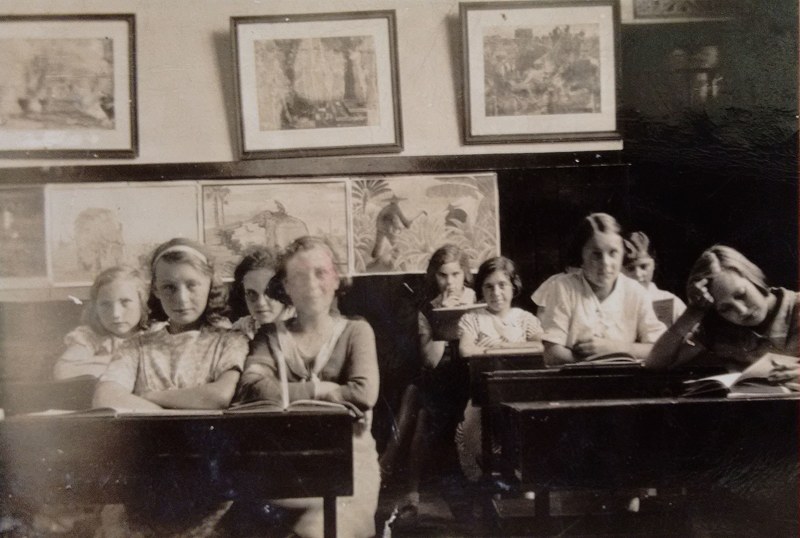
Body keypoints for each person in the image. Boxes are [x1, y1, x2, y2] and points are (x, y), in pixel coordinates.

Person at [93, 238, 249, 536]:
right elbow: (106, 396)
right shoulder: (136, 346)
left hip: (208, 487)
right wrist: (177, 411)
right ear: (155, 290)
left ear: (209, 283)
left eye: (192, 285)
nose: (181, 298)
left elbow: (218, 396)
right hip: (143, 484)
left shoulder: (228, 341)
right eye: (169, 287)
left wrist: (147, 398)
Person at [235, 236, 380, 538]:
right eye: (299, 276)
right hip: (281, 470)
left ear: (336, 278)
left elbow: (362, 394)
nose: (311, 283)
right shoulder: (268, 337)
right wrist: (325, 390)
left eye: (320, 272)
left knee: (317, 533)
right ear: (285, 286)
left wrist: (282, 389)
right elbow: (250, 389)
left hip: (349, 467)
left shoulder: (356, 331)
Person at [379, 244, 476, 520]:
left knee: (417, 398)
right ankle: (410, 490)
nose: (449, 282)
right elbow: (431, 360)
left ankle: (395, 469)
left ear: (464, 274)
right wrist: (443, 317)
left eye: (456, 274)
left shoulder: (479, 299)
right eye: (443, 275)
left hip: (470, 377)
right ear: (435, 276)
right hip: (442, 378)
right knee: (421, 403)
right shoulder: (428, 309)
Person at [645, 245, 799, 382]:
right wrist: (692, 313)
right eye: (725, 309)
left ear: (754, 278)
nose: (742, 311)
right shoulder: (719, 328)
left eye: (741, 295)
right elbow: (655, 364)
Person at [456, 256, 543, 482]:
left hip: (521, 392)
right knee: (470, 431)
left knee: (528, 431)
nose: (496, 292)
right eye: (489, 286)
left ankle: (523, 478)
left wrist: (502, 346)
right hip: (483, 395)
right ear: (481, 290)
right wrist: (482, 350)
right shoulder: (472, 318)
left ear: (514, 287)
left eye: (502, 285)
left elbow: (542, 346)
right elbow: (466, 350)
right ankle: (489, 481)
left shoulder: (525, 319)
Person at [539, 213, 666, 366]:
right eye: (596, 254)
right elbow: (552, 354)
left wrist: (612, 348)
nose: (606, 263)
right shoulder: (564, 287)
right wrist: (596, 363)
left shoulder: (635, 292)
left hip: (623, 381)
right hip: (575, 382)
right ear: (581, 255)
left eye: (613, 253)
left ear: (623, 253)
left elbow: (659, 349)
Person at [53, 265, 149, 380]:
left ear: (142, 303)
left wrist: (98, 361)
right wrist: (119, 362)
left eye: (125, 302)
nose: (115, 314)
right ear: (96, 307)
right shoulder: (89, 337)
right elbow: (63, 372)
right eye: (106, 305)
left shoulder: (155, 334)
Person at [228, 246, 294, 340]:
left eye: (270, 292)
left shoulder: (306, 329)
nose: (261, 303)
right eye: (251, 293)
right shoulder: (241, 331)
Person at [622, 231, 687, 324]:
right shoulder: (614, 301)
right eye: (630, 269)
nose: (638, 274)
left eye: (643, 266)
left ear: (653, 265)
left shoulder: (670, 301)